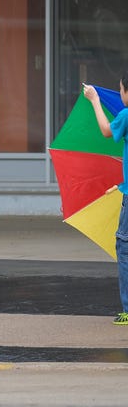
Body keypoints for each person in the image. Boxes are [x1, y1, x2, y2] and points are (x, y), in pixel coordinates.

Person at [84, 77, 128, 325]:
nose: (120, 93)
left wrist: (95, 100)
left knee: (124, 247)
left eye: (121, 89)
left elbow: (105, 130)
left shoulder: (126, 115)